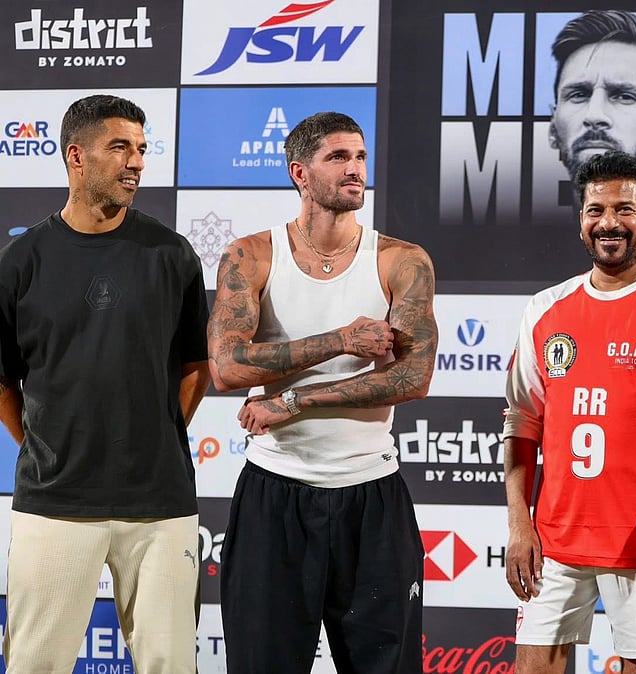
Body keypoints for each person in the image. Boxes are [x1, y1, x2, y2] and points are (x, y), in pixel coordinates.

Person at [208, 111, 437, 672]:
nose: (355, 169)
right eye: (338, 157)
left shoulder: (401, 261)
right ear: (299, 173)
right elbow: (227, 367)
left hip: (371, 497)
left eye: (360, 157)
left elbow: (412, 377)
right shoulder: (252, 255)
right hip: (275, 496)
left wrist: (293, 401)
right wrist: (340, 339)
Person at [0, 94, 210, 672]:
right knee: (35, 663)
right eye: (120, 147)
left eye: (141, 149)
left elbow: (196, 366)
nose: (137, 162)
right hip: (55, 501)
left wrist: (156, 433)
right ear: (76, 156)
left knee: (170, 663)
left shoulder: (173, 254)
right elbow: (1, 380)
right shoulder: (21, 261)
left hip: (160, 502)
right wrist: (49, 444)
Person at [503, 150, 636, 674]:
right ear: (581, 221)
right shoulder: (545, 308)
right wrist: (519, 524)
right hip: (553, 541)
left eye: (624, 210)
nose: (609, 222)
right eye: (595, 210)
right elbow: (520, 422)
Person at [549, 10, 636, 213]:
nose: (593, 115)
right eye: (578, 94)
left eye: (624, 96)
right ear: (553, 129)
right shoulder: (520, 241)